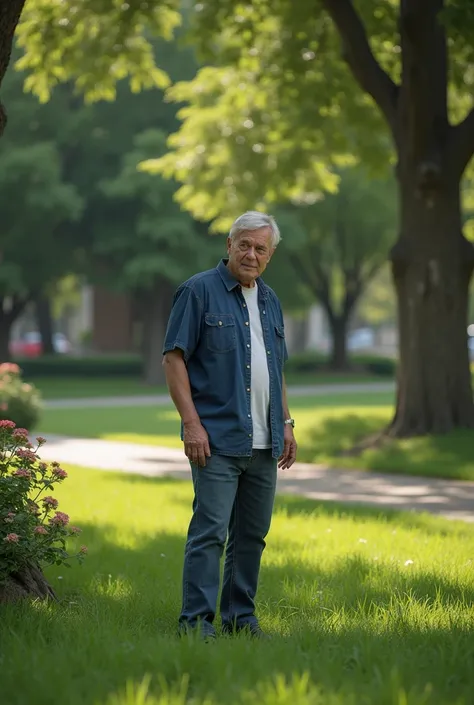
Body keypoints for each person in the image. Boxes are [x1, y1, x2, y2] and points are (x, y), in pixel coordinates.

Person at [162, 210, 297, 640]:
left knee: (252, 536)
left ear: (270, 255)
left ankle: (241, 619)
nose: (251, 254)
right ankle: (196, 625)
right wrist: (191, 424)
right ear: (229, 245)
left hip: (265, 441)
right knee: (210, 533)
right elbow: (173, 358)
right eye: (245, 245)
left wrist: (287, 424)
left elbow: (276, 370)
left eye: (260, 248)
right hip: (216, 439)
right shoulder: (197, 291)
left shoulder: (272, 300)